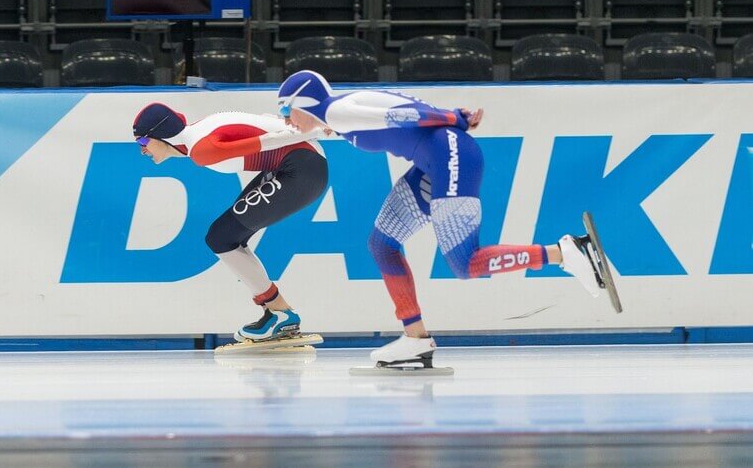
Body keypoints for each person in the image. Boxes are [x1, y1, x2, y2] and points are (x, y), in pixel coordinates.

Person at [276, 70, 604, 368]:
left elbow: (403, 115)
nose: (286, 120)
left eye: (287, 110)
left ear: (303, 101)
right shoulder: (341, 111)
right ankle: (414, 340)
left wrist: (453, 117)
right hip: (438, 160)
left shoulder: (338, 111)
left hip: (450, 158)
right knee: (382, 244)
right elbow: (400, 110)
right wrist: (451, 118)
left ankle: (565, 251)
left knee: (467, 264)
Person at [133, 102, 328, 343]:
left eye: (142, 142)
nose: (142, 150)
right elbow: (262, 123)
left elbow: (267, 141)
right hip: (296, 165)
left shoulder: (201, 149)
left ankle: (280, 314)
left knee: (221, 238)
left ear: (160, 135)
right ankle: (278, 312)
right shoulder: (197, 134)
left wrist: (316, 129)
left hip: (302, 168)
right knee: (224, 237)